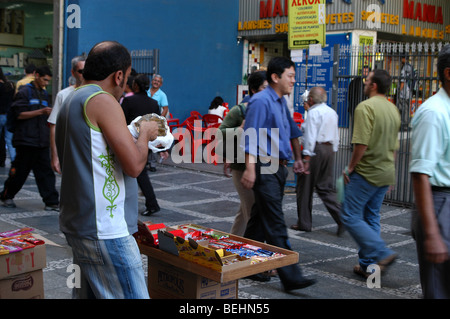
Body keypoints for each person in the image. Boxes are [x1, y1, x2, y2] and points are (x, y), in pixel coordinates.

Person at [55, 41, 159, 299]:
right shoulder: (102, 100)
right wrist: (145, 133)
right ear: (119, 75)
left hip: (79, 223)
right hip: (104, 230)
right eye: (127, 76)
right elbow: (134, 166)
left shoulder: (69, 99)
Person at [240, 57, 316, 291]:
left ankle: (245, 263)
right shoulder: (260, 101)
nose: (294, 80)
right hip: (264, 166)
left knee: (260, 219)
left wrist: (299, 158)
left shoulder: (281, 101)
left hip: (279, 167)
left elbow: (292, 130)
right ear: (275, 77)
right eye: (290, 76)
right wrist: (250, 168)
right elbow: (250, 136)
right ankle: (291, 276)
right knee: (274, 221)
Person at [341, 69, 400, 278]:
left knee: (350, 215)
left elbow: (361, 144)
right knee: (371, 216)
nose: (364, 83)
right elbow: (394, 147)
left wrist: (350, 168)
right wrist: (390, 172)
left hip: (367, 172)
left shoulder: (365, 107)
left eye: (367, 81)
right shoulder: (393, 109)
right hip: (385, 171)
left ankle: (381, 252)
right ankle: (369, 265)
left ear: (373, 85)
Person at [409, 44, 450, 299]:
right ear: (448, 73)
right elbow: (419, 174)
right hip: (439, 203)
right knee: (439, 289)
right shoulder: (433, 113)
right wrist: (432, 233)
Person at [0, 65, 59, 211]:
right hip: (26, 140)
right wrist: (41, 111)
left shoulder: (44, 94)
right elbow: (19, 114)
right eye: (44, 80)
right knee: (19, 171)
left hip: (41, 141)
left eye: (48, 81)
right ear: (36, 75)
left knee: (45, 172)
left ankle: (51, 201)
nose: (46, 83)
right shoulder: (25, 92)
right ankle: (7, 195)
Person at [219, 71, 267, 236]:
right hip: (241, 167)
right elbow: (220, 132)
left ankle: (233, 240)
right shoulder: (239, 111)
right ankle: (252, 249)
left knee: (245, 209)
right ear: (254, 90)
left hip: (260, 165)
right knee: (252, 211)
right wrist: (239, 129)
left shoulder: (266, 109)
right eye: (265, 88)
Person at [291, 87, 343, 235]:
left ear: (311, 100)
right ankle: (341, 217)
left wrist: (306, 158)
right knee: (325, 187)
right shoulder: (332, 112)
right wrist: (334, 149)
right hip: (329, 150)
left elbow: (310, 136)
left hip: (316, 150)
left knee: (304, 187)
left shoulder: (313, 112)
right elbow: (336, 134)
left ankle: (304, 222)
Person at [122, 73, 168, 217]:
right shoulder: (153, 103)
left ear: (135, 85)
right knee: (141, 172)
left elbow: (121, 123)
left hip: (130, 141)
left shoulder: (128, 102)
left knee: (134, 173)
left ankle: (151, 203)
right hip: (146, 143)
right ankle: (150, 203)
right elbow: (157, 125)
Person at [48, 55, 86, 174]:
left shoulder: (99, 95)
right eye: (81, 71)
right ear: (73, 73)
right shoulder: (63, 95)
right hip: (69, 150)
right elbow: (54, 125)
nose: (84, 74)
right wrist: (55, 156)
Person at [0, 67, 16, 165]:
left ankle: (1, 160)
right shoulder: (10, 85)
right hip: (9, 115)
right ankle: (14, 161)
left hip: (0, 115)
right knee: (9, 141)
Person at [398, 54, 413, 130]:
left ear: (404, 59)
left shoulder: (405, 67)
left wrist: (399, 90)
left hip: (404, 92)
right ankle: (406, 124)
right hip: (409, 91)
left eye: (402, 58)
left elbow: (403, 80)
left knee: (403, 108)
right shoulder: (410, 66)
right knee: (406, 108)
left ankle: (404, 124)